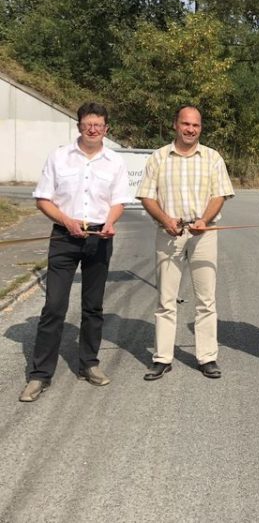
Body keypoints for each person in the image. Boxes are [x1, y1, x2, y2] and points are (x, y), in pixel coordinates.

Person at [20, 102, 130, 402]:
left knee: (93, 307)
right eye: (87, 123)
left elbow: (119, 200)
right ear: (79, 126)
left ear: (106, 128)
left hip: (100, 237)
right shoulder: (59, 157)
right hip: (64, 237)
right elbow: (43, 199)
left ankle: (89, 364)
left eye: (98, 124)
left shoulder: (114, 162)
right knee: (54, 306)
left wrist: (110, 222)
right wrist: (65, 221)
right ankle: (40, 375)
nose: (92, 129)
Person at [137, 105, 234, 381]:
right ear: (176, 125)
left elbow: (220, 195)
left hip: (204, 232)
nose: (191, 129)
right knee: (166, 299)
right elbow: (146, 196)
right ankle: (162, 358)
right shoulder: (158, 158)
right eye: (186, 124)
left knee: (206, 299)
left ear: (200, 128)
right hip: (169, 233)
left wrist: (205, 218)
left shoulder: (213, 158)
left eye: (196, 125)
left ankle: (207, 357)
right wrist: (165, 219)